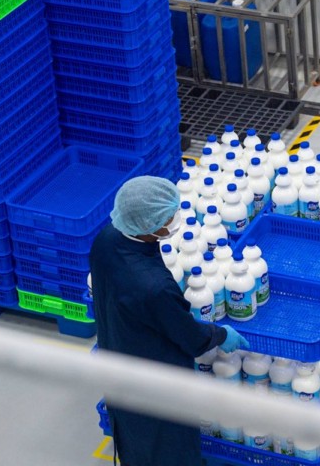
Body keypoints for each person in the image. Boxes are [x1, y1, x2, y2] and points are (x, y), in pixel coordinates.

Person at [90, 176, 249, 465]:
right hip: (155, 380)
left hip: (119, 355)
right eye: (169, 216)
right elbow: (190, 337)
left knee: (134, 437)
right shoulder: (152, 287)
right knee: (168, 445)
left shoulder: (107, 239)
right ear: (148, 225)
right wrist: (221, 335)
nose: (175, 219)